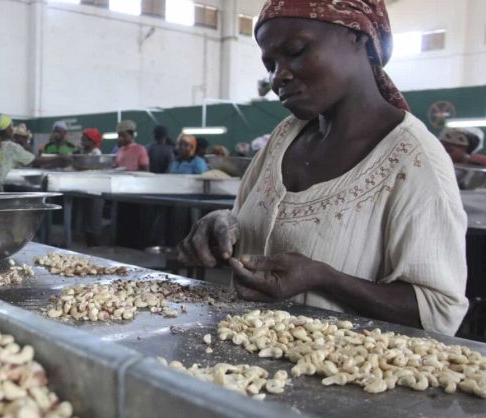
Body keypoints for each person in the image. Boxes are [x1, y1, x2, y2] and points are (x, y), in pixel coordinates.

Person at [178, 0, 467, 336]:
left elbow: (440, 311)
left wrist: (325, 279)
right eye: (270, 64)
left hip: (340, 380)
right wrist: (221, 225)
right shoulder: (284, 137)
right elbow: (244, 220)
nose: (278, 77)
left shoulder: (413, 160)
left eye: (296, 51)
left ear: (359, 38)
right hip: (240, 363)